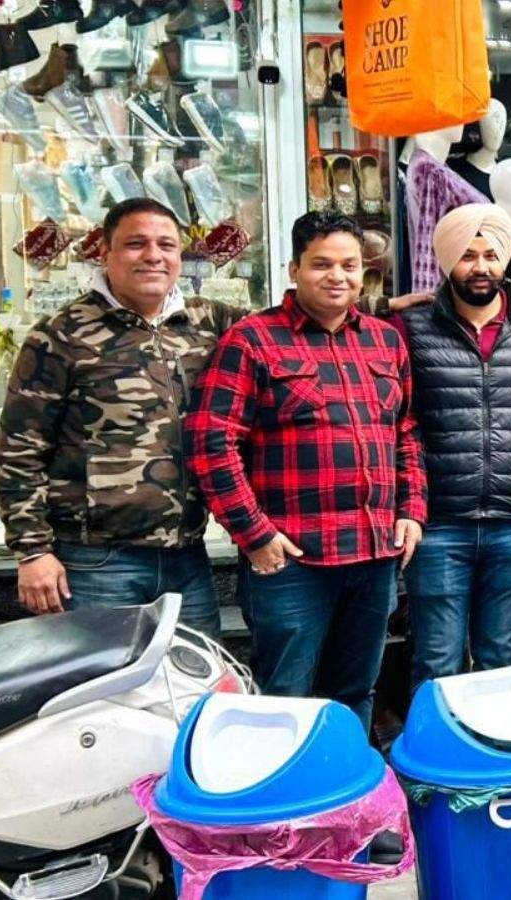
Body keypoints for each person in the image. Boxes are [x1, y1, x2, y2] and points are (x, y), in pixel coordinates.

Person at [185, 210, 427, 729]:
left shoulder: (385, 341)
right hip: (292, 562)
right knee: (284, 699)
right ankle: (283, 809)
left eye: (350, 265)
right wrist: (253, 535)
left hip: (373, 554)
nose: (337, 276)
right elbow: (211, 443)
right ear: (293, 269)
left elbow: (405, 433)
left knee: (355, 693)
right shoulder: (253, 341)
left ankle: (347, 804)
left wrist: (411, 511)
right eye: (322, 264)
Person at [0, 198, 243, 636]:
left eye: (167, 244)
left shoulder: (208, 322)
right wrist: (32, 551)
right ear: (106, 252)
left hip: (187, 554)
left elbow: (296, 318)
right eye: (135, 244)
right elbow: (19, 450)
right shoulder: (60, 335)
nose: (153, 255)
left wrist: (391, 305)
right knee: (104, 694)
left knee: (195, 685)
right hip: (96, 561)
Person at [394, 204, 511, 687]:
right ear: (446, 261)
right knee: (436, 663)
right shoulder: (412, 327)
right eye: (466, 255)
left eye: (490, 255)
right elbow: (400, 420)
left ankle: (490, 758)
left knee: (498, 662)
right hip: (440, 526)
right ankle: (435, 759)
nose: (480, 266)